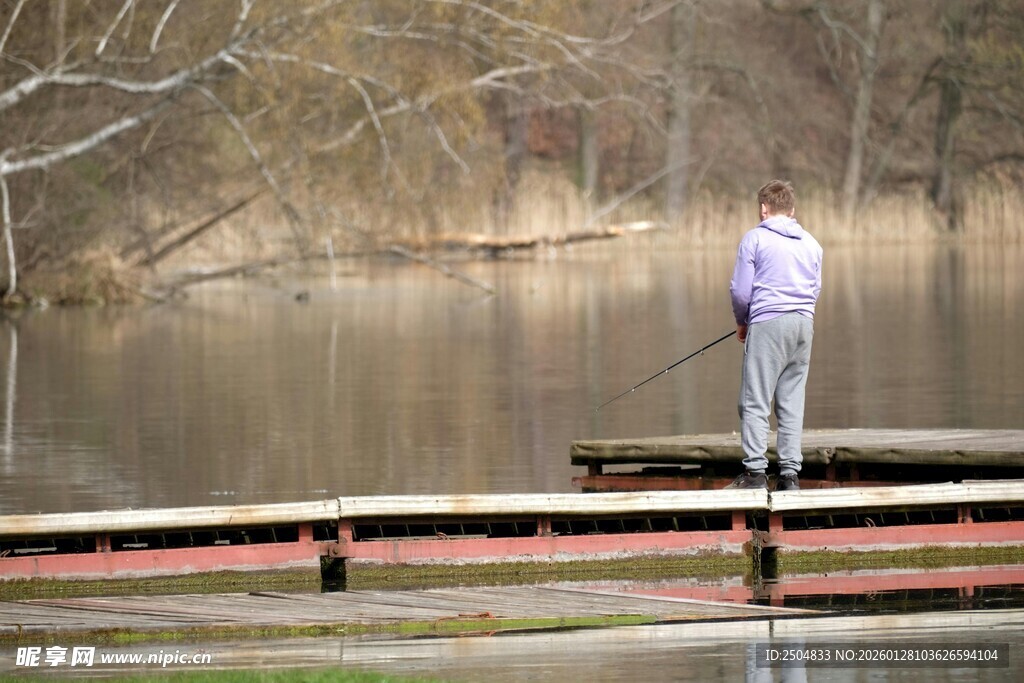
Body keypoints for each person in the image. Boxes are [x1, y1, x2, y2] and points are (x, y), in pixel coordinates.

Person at [726, 180, 822, 491]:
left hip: (768, 323)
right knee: (792, 402)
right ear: (792, 211)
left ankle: (754, 474)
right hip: (803, 326)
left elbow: (741, 291)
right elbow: (815, 289)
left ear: (764, 209)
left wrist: (743, 320)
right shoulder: (812, 244)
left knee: (754, 400)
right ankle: (789, 476)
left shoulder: (755, 239)